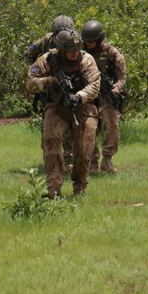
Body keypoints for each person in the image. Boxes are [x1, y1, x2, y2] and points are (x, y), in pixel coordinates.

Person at [26, 29, 100, 198]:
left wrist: (79, 96)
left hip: (84, 107)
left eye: (76, 48)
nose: (74, 52)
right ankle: (53, 187)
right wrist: (49, 81)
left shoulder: (86, 60)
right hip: (57, 107)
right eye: (69, 49)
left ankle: (79, 186)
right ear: (60, 49)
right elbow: (30, 83)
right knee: (50, 140)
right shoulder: (46, 59)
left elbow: (95, 85)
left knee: (83, 149)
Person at [23, 14, 77, 169]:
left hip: (68, 87)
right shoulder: (45, 41)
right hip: (49, 90)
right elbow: (28, 54)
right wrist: (40, 72)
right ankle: (51, 159)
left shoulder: (73, 41)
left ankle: (69, 161)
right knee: (47, 126)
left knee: (70, 124)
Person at [81, 20, 127, 173]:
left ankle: (107, 160)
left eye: (91, 41)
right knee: (90, 129)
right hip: (89, 96)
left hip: (108, 96)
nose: (88, 44)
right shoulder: (80, 53)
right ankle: (93, 162)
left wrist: (115, 89)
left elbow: (121, 77)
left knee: (112, 127)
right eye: (85, 41)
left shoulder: (112, 53)